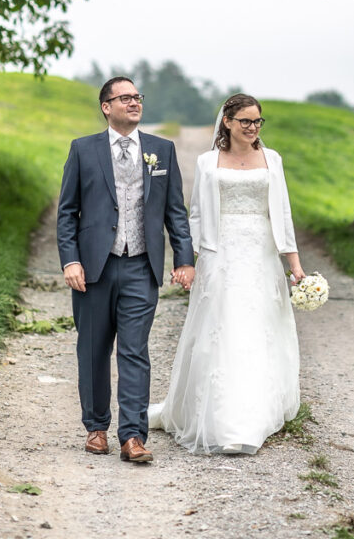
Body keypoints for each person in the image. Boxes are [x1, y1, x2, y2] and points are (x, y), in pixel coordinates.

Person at [150, 93, 305, 455]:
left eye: (257, 122)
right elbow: (197, 217)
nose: (252, 128)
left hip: (262, 255)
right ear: (228, 122)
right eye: (245, 121)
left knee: (258, 328)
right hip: (221, 255)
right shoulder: (207, 163)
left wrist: (294, 265)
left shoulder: (272, 160)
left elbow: (282, 215)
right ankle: (224, 419)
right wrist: (189, 261)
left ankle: (254, 414)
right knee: (225, 327)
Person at [57, 76, 194, 463]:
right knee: (93, 350)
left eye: (138, 97)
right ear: (106, 106)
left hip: (141, 267)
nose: (134, 103)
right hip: (94, 269)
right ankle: (96, 428)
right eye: (125, 98)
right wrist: (71, 260)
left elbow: (175, 213)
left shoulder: (161, 151)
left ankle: (132, 436)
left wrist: (184, 259)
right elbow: (68, 212)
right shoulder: (83, 150)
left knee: (135, 352)